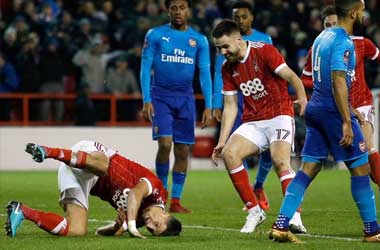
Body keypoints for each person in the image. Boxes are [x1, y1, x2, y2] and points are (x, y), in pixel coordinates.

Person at [269, 0, 380, 243]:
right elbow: (338, 81)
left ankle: (280, 224)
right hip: (331, 111)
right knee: (361, 168)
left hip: (316, 108)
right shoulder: (343, 41)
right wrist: (347, 121)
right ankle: (372, 230)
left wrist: (351, 108)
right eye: (361, 12)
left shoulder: (322, 38)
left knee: (309, 168)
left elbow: (324, 80)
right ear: (353, 13)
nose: (363, 16)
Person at [211, 20, 308, 233]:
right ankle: (255, 211)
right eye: (219, 49)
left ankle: (295, 218)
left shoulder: (264, 51)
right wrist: (221, 141)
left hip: (279, 115)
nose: (223, 52)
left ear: (239, 39)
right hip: (254, 121)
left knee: (280, 161)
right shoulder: (227, 68)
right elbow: (230, 106)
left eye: (225, 46)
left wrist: (301, 98)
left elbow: (291, 76)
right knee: (229, 154)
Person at [5, 141, 182, 238]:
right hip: (93, 157)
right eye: (156, 224)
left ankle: (23, 211)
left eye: (151, 229)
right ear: (166, 215)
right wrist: (132, 226)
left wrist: (116, 227)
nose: (149, 225)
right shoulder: (158, 190)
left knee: (77, 231)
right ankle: (47, 151)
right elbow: (135, 193)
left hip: (77, 178)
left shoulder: (141, 219)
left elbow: (103, 232)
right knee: (103, 166)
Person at [140, 0, 213, 213]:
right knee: (165, 145)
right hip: (161, 97)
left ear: (188, 10)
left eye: (182, 7)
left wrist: (209, 105)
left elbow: (205, 73)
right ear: (167, 10)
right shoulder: (154, 35)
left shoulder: (199, 40)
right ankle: (160, 196)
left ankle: (176, 201)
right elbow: (145, 68)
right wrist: (146, 100)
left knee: (182, 151)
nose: (178, 12)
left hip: (186, 100)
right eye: (174, 8)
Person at [302, 5, 380, 191]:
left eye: (334, 24)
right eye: (327, 25)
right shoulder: (317, 48)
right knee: (320, 163)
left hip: (360, 103)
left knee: (366, 147)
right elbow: (305, 79)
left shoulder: (362, 43)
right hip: (334, 106)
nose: (331, 28)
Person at [213, 0, 273, 212]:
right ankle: (249, 196)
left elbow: (272, 69)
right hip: (237, 102)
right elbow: (219, 74)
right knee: (235, 148)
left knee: (270, 150)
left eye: (244, 16)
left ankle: (259, 186)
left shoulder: (264, 39)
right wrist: (215, 103)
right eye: (236, 17)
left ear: (252, 17)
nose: (240, 20)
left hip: (262, 101)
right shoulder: (225, 42)